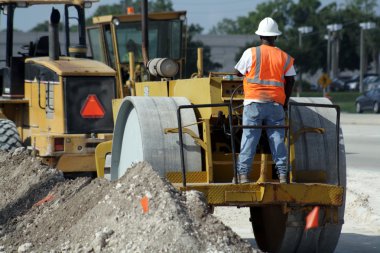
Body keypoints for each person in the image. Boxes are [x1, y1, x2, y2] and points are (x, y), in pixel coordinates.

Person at [234, 17, 296, 184]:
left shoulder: (251, 52)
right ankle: (283, 175)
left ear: (260, 36)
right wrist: (284, 102)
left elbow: (238, 73)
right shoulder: (285, 57)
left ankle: (244, 175)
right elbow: (290, 80)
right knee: (277, 139)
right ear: (275, 37)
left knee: (250, 138)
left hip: (253, 103)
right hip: (276, 105)